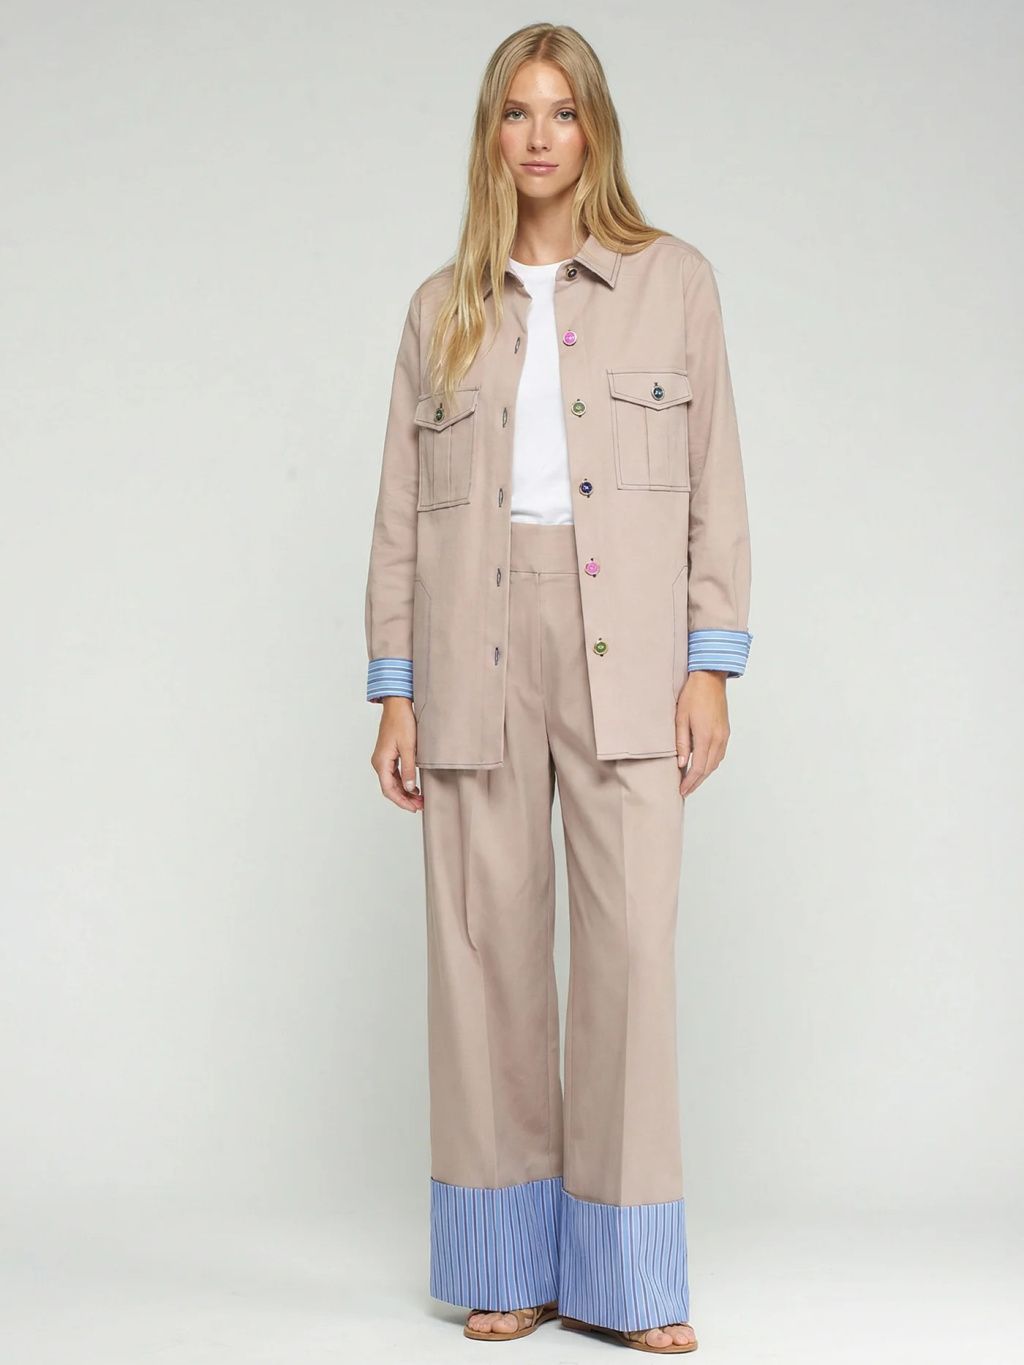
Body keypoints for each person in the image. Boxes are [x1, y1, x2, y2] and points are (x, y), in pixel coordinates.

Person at [363, 21, 752, 1355]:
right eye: (517, 113)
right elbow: (400, 511)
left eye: (562, 112)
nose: (539, 137)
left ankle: (629, 1279)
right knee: (485, 952)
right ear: (492, 134)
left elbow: (716, 482)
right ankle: (504, 1262)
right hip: (472, 638)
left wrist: (710, 662)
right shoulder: (441, 307)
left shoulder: (673, 282)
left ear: (596, 130)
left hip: (628, 641)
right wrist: (396, 687)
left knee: (632, 952)